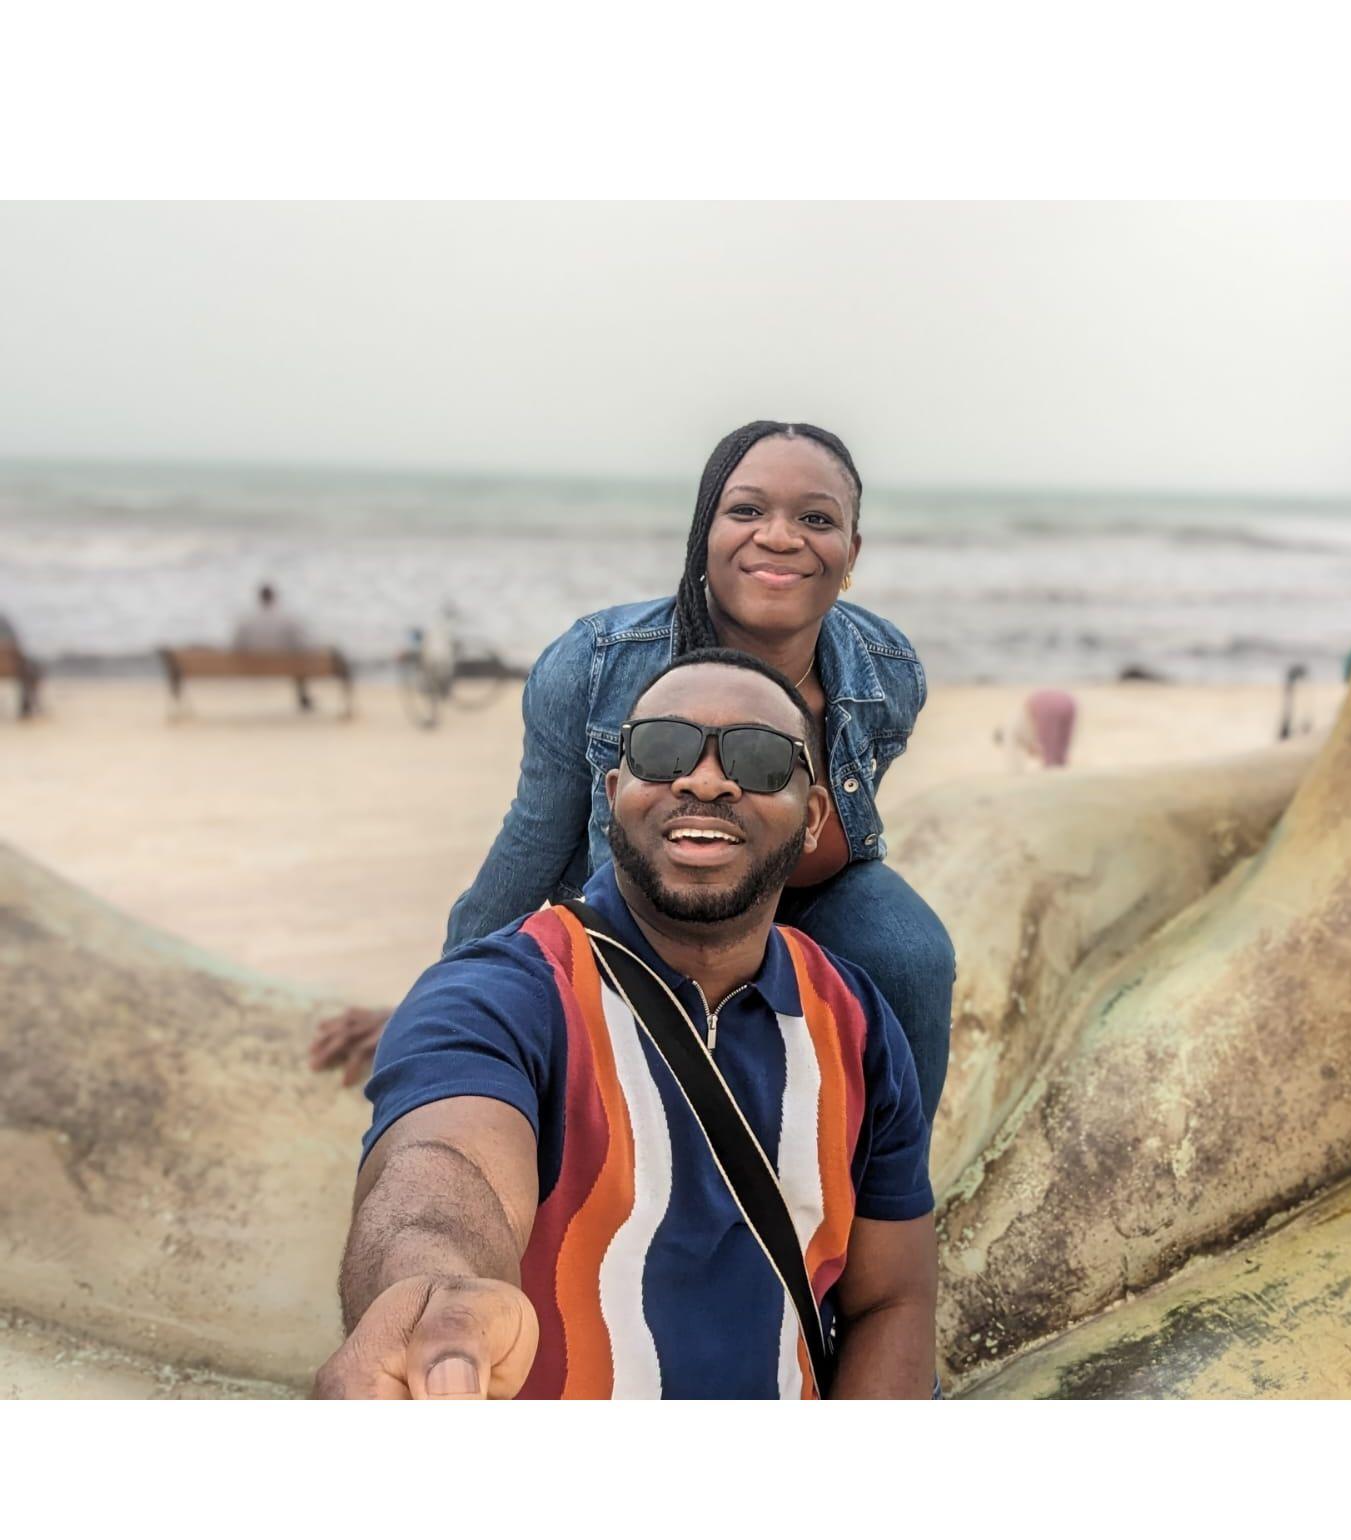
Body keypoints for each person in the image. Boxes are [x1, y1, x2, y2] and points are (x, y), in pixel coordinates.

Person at [313, 651, 937, 1400]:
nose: (704, 781)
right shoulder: (502, 996)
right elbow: (443, 1170)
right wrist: (434, 1294)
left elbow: (891, 1298)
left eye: (759, 758)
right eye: (663, 749)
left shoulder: (854, 1019)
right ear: (614, 796)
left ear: (811, 819)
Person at [312, 421, 957, 1128]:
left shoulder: (885, 672)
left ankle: (889, 1175)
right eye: (746, 510)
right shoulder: (599, 662)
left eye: (816, 519)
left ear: (850, 551)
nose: (779, 537)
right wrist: (439, 999)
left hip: (798, 902)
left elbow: (827, 828)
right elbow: (530, 845)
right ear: (704, 533)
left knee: (907, 954)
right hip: (645, 913)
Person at [232, 582, 315, 711]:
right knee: (299, 662)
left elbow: (236, 646)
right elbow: (300, 644)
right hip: (286, 666)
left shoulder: (246, 620)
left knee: (296, 661)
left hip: (252, 665)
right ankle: (303, 697)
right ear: (274, 598)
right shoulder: (287, 618)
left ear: (259, 598)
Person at [0, 613, 44, 718]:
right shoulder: (4, 622)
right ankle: (26, 707)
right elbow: (17, 647)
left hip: (7, 663)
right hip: (11, 666)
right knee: (32, 668)